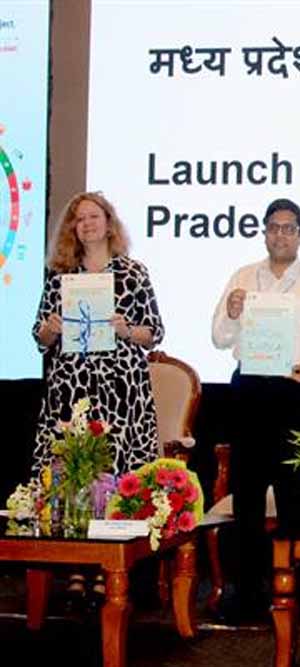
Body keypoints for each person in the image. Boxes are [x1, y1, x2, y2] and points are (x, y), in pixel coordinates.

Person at [211, 197, 300, 619]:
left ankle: (294, 588)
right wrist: (231, 313)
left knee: (293, 496)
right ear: (264, 232)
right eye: (273, 227)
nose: (280, 235)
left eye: (289, 228)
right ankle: (247, 593)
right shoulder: (242, 277)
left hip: (294, 391)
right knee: (247, 496)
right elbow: (219, 337)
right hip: (249, 391)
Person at [32, 191, 165, 603]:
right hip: (71, 390)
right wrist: (51, 328)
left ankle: (110, 568)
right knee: (74, 475)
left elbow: (154, 332)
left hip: (121, 392)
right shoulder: (60, 276)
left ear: (109, 223)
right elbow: (40, 336)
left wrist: (126, 330)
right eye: (79, 218)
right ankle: (77, 568)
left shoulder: (133, 273)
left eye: (94, 216)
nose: (87, 224)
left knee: (114, 476)